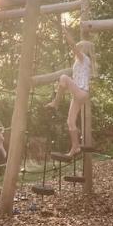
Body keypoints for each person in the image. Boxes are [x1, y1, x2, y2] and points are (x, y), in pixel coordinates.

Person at [46, 23, 94, 156]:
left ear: (83, 50)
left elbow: (73, 46)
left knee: (63, 77)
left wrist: (66, 34)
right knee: (70, 122)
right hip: (79, 93)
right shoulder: (81, 62)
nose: (77, 50)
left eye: (79, 48)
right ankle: (75, 147)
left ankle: (55, 103)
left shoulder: (84, 58)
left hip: (81, 92)